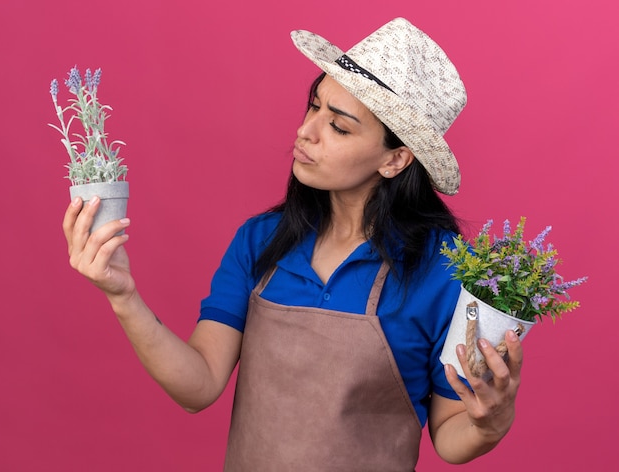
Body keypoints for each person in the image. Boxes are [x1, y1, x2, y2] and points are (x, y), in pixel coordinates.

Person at [63, 17, 523, 471]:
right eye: (314, 106)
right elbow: (198, 386)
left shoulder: (442, 270)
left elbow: (450, 434)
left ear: (395, 158)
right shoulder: (260, 240)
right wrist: (123, 296)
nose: (307, 131)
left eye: (339, 127)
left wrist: (489, 424)